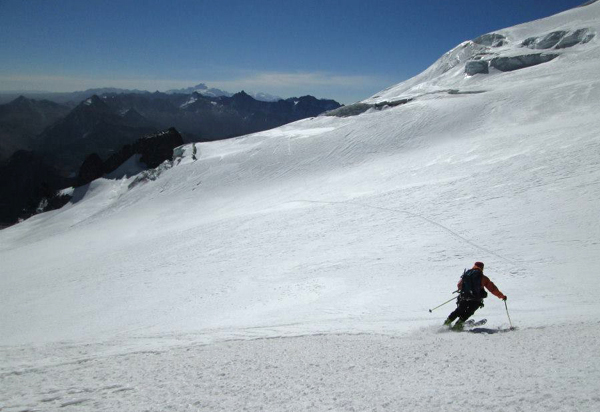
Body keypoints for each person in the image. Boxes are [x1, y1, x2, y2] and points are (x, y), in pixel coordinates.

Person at [444, 261, 506, 330]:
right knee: (469, 312)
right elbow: (493, 289)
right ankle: (458, 324)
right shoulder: (483, 277)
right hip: (476, 299)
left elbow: (459, 285)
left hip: (464, 297)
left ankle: (447, 322)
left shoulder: (467, 274)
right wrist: (502, 296)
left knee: (459, 310)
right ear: (482, 268)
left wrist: (464, 290)